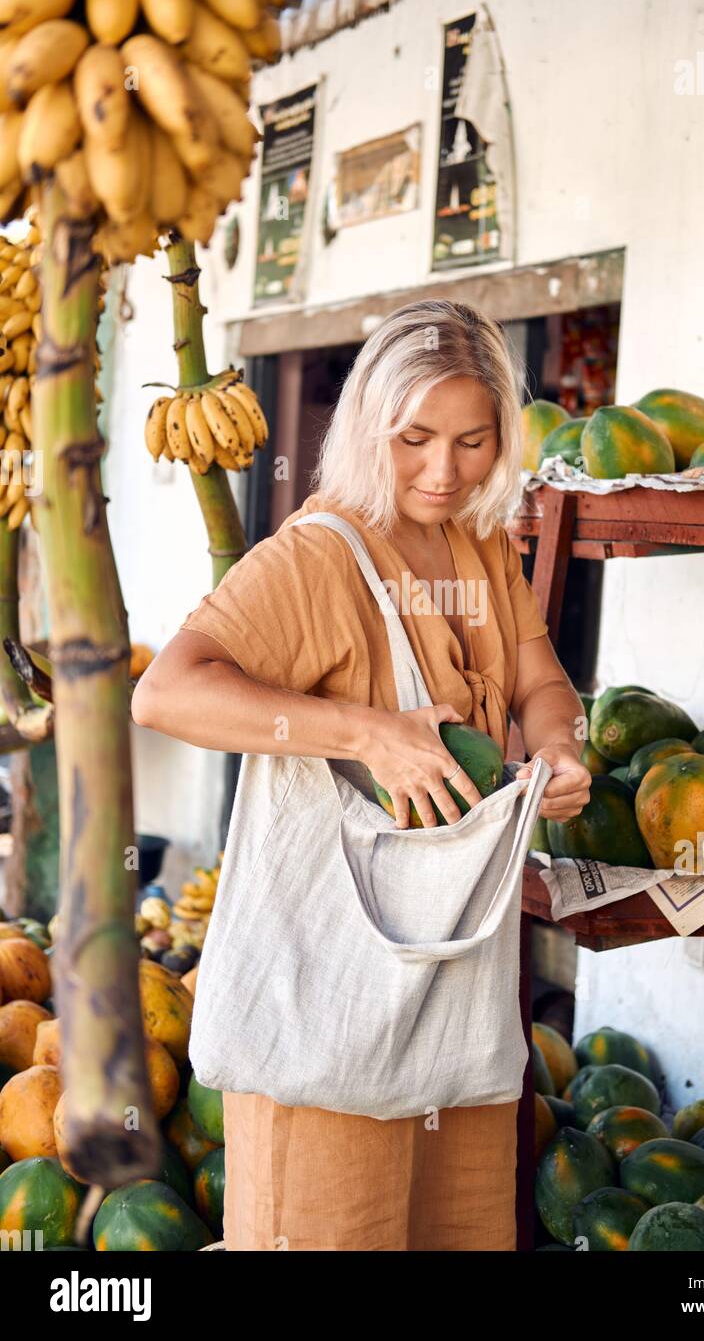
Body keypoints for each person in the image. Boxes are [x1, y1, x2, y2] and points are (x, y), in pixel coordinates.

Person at [131, 298, 591, 1251]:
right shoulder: (317, 557)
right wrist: (366, 733)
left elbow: (545, 681)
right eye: (414, 437)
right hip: (328, 1005)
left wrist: (559, 747)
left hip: (454, 1004)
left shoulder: (481, 544)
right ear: (368, 425)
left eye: (473, 441)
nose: (443, 471)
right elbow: (166, 693)